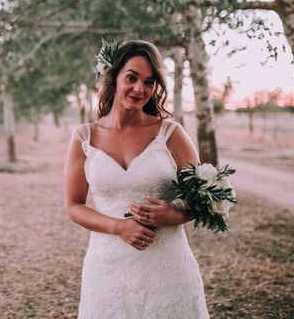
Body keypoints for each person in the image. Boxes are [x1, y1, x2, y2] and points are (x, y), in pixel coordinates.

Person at [64, 40, 209, 318]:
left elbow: (201, 197)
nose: (139, 89)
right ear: (114, 76)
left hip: (167, 266)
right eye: (131, 77)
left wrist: (175, 214)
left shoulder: (171, 133)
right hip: (107, 267)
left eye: (149, 82)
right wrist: (118, 227)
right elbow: (73, 206)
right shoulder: (85, 137)